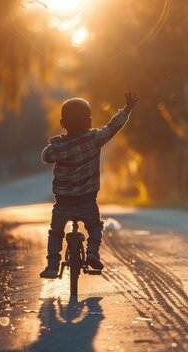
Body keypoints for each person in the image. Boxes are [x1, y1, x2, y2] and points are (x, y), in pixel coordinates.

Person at [39, 92, 140, 278]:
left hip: (63, 203)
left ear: (62, 123)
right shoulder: (94, 139)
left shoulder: (58, 147)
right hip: (87, 200)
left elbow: (46, 157)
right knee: (94, 227)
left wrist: (55, 145)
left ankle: (52, 266)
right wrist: (127, 109)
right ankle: (92, 252)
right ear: (90, 121)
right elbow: (113, 127)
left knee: (55, 232)